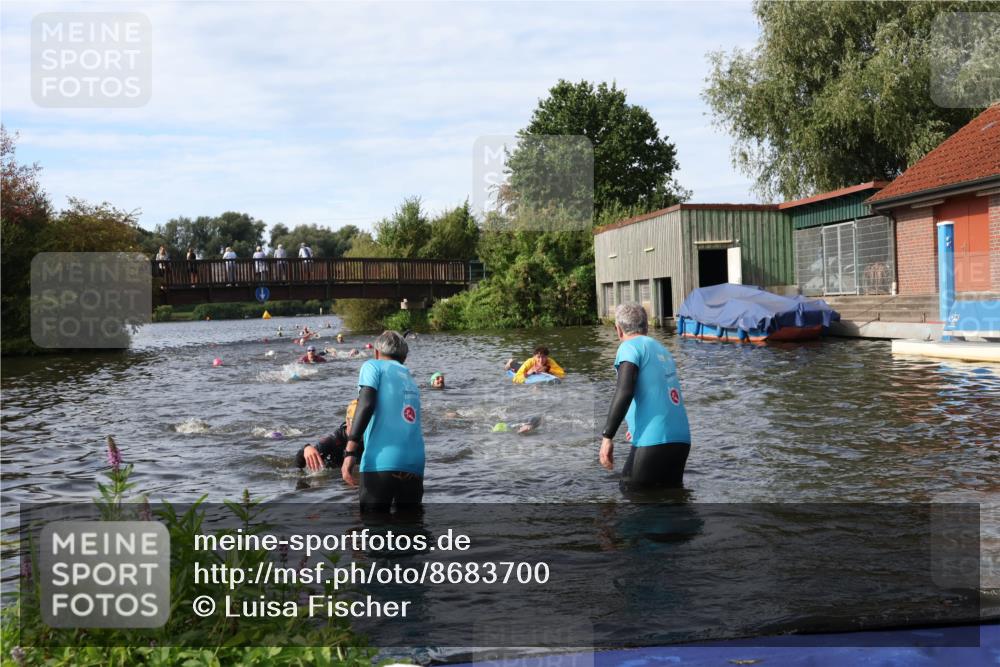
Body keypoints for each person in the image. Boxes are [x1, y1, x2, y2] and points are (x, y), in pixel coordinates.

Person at [600, 302, 691, 492]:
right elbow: (658, 393)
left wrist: (607, 437)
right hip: (681, 440)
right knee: (671, 503)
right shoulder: (663, 350)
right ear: (647, 327)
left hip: (654, 439)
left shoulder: (629, 347)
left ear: (618, 330)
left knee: (632, 495)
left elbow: (624, 391)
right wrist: (635, 425)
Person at [341, 330, 425, 513]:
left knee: (375, 530)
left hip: (381, 462)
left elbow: (366, 404)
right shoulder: (409, 377)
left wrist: (350, 453)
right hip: (415, 463)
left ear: (377, 353)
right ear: (404, 357)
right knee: (412, 531)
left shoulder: (373, 366)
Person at [296, 400, 360, 471]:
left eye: (366, 422)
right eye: (355, 422)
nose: (360, 427)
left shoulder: (371, 438)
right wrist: (306, 448)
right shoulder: (335, 440)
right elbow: (299, 464)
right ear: (347, 421)